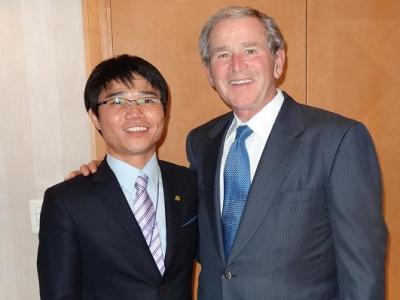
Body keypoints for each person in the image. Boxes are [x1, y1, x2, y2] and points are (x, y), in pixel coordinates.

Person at [71, 6, 388, 300]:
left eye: (250, 50)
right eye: (222, 55)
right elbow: (192, 234)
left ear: (278, 61)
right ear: (210, 73)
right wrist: (112, 181)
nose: (237, 66)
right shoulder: (202, 142)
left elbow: (363, 269)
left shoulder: (337, 139)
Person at [37, 54, 198, 300]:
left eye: (147, 99)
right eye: (118, 101)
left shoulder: (189, 184)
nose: (135, 113)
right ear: (94, 117)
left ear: (164, 111)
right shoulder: (67, 201)